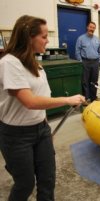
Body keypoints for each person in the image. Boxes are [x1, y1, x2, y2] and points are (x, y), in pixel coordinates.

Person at [0, 15, 85, 201]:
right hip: (17, 136)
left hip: (41, 131)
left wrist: (45, 129)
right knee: (25, 184)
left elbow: (42, 101)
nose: (47, 41)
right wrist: (67, 99)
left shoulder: (35, 64)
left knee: (47, 181)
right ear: (29, 37)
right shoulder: (9, 63)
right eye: (44, 36)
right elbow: (30, 101)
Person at [75, 21, 100, 103]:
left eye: (93, 27)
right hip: (85, 62)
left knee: (94, 81)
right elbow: (77, 50)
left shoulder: (97, 39)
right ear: (87, 27)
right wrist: (80, 61)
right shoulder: (81, 38)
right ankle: (85, 99)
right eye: (90, 27)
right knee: (85, 81)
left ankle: (93, 98)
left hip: (95, 62)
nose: (92, 29)